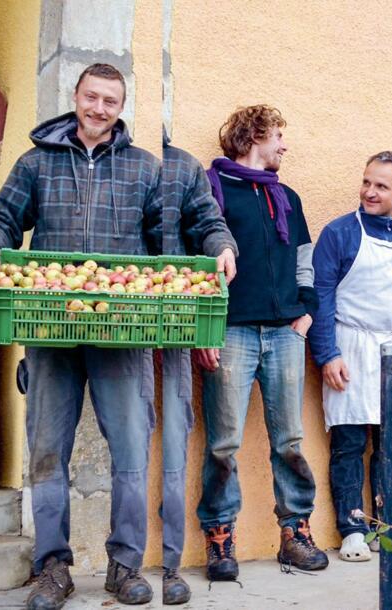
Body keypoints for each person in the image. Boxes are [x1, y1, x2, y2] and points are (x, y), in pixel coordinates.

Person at [0, 63, 172, 609]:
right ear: (76, 96)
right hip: (50, 328)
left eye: (111, 101)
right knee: (45, 454)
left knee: (131, 453)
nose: (100, 109)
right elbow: (2, 219)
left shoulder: (144, 169)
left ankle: (125, 566)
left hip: (124, 331)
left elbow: (171, 234)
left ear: (120, 107)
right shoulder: (36, 162)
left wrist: (216, 248)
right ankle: (52, 568)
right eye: (92, 97)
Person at [192, 104, 328, 580]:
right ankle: (220, 537)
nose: (284, 145)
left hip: (286, 333)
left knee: (289, 439)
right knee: (223, 444)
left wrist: (306, 309)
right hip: (230, 331)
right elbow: (199, 265)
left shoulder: (287, 195)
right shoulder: (212, 190)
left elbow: (305, 259)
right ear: (254, 137)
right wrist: (203, 330)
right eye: (278, 136)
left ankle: (295, 533)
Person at [309, 151, 392, 562]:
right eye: (367, 182)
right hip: (351, 346)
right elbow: (320, 297)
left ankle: (389, 527)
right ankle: (353, 528)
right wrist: (327, 353)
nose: (370, 191)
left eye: (381, 186)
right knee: (349, 443)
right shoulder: (339, 233)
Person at [155, 133, 238, 604]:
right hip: (112, 314)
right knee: (132, 453)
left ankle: (171, 565)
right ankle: (119, 563)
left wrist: (202, 331)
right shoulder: (95, 163)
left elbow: (208, 226)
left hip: (179, 321)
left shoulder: (183, 168)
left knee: (175, 445)